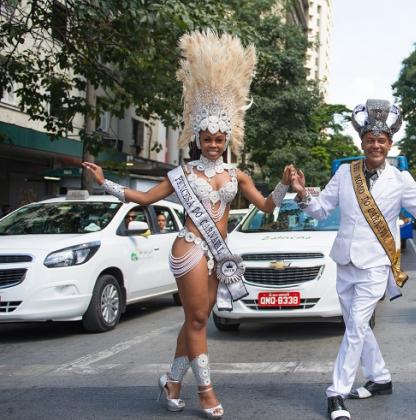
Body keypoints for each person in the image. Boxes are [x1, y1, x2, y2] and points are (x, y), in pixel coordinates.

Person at [83, 30, 293, 419]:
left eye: (219, 138)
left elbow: (266, 206)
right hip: (190, 247)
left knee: (194, 319)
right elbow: (145, 199)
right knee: (198, 318)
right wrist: (105, 183)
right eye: (208, 138)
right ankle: (206, 392)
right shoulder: (183, 173)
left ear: (227, 138)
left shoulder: (236, 174)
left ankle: (172, 381)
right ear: (197, 137)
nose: (213, 144)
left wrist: (283, 183)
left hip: (219, 254)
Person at [291, 99, 416, 420]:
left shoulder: (401, 180)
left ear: (389, 144)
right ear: (362, 142)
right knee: (354, 325)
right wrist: (303, 193)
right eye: (370, 140)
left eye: (381, 140)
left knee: (357, 325)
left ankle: (337, 393)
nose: (375, 145)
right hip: (345, 260)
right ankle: (381, 377)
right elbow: (320, 210)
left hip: (376, 264)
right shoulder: (346, 173)